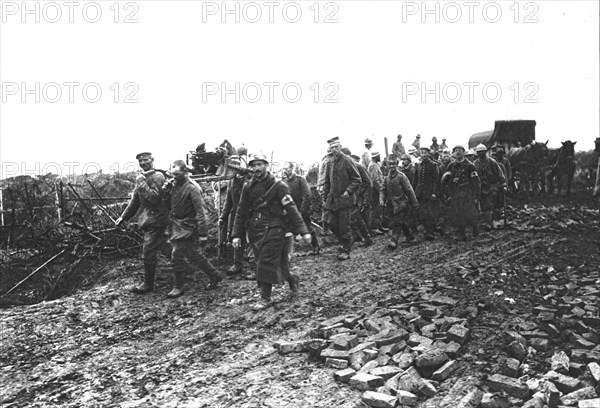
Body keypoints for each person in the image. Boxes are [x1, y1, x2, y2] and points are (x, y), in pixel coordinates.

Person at [231, 153, 310, 310]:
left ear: (266, 165)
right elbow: (241, 210)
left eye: (259, 165)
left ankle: (265, 298)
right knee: (279, 263)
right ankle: (292, 279)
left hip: (276, 227)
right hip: (256, 229)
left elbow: (291, 208)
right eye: (253, 165)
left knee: (264, 262)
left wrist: (303, 230)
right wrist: (235, 234)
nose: (256, 168)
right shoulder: (248, 187)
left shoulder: (278, 185)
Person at [162, 160, 223, 298]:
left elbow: (201, 212)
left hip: (189, 227)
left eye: (177, 174)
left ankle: (178, 287)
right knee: (194, 254)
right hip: (177, 225)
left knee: (176, 255)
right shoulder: (174, 186)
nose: (174, 177)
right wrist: (166, 193)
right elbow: (169, 205)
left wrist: (203, 233)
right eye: (173, 175)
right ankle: (215, 275)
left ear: (185, 172)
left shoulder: (192, 188)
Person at [116, 152, 170, 294]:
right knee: (166, 248)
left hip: (157, 219)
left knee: (148, 252)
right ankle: (187, 269)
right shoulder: (142, 177)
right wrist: (123, 217)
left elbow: (154, 198)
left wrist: (141, 182)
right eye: (140, 161)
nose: (143, 162)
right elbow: (135, 200)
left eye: (145, 160)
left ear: (152, 160)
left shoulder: (158, 177)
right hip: (150, 220)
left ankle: (148, 284)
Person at [323, 137, 362, 260]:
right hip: (333, 201)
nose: (334, 150)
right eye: (332, 147)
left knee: (344, 226)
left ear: (340, 147)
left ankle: (346, 250)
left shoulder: (347, 160)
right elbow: (327, 182)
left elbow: (357, 179)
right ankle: (346, 241)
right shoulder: (329, 162)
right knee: (331, 223)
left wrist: (348, 191)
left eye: (336, 147)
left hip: (345, 200)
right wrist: (325, 196)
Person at [441, 145, 481, 240]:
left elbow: (476, 182)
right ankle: (462, 234)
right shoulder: (451, 166)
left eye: (460, 150)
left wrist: (476, 196)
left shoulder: (470, 166)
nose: (458, 152)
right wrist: (448, 192)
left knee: (470, 214)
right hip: (456, 193)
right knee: (458, 214)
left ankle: (475, 227)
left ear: (464, 152)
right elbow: (446, 180)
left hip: (468, 193)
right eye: (455, 151)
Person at [380, 156, 419, 249]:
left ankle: (394, 240)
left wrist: (414, 203)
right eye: (390, 164)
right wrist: (381, 200)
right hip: (393, 205)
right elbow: (382, 190)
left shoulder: (401, 176)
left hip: (402, 203)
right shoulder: (386, 178)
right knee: (401, 221)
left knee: (397, 222)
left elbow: (409, 190)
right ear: (387, 166)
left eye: (394, 164)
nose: (392, 166)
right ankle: (410, 236)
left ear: (397, 165)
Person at [283, 162, 321, 254]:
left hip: (302, 210)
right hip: (290, 211)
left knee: (307, 228)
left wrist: (301, 211)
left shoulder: (300, 180)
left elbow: (307, 196)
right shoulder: (283, 181)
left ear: (292, 168)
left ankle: (315, 247)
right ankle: (287, 252)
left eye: (287, 168)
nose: (285, 171)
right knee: (287, 230)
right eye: (284, 169)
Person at [219, 156, 248, 275]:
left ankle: (256, 266)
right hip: (237, 214)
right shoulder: (231, 181)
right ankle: (237, 264)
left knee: (252, 239)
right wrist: (223, 217)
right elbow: (228, 202)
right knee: (236, 237)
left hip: (250, 213)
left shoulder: (249, 179)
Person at [473, 144, 506, 230]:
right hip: (481, 187)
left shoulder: (492, 162)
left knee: (490, 204)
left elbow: (499, 173)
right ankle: (487, 221)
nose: (481, 154)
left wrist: (503, 183)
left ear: (485, 152)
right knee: (483, 205)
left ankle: (488, 223)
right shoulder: (475, 164)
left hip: (492, 186)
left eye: (482, 152)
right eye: (479, 152)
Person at [346, 151, 374, 247]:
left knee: (356, 217)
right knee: (353, 217)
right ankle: (361, 237)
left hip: (360, 196)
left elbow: (369, 183)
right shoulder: (346, 168)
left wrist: (365, 199)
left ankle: (365, 238)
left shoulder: (358, 166)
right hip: (352, 197)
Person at [415, 147, 440, 240]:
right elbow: (416, 180)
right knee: (422, 212)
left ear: (429, 154)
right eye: (422, 153)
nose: (424, 155)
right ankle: (426, 230)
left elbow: (436, 181)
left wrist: (434, 192)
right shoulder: (419, 165)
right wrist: (414, 192)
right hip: (420, 193)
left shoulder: (433, 165)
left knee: (430, 212)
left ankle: (431, 232)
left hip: (429, 193)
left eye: (425, 153)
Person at [368, 152, 386, 234]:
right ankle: (374, 228)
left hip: (377, 190)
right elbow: (375, 180)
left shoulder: (375, 164)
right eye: (379, 155)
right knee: (375, 209)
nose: (380, 157)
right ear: (376, 156)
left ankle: (379, 226)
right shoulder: (373, 166)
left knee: (378, 209)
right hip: (375, 190)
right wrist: (381, 190)